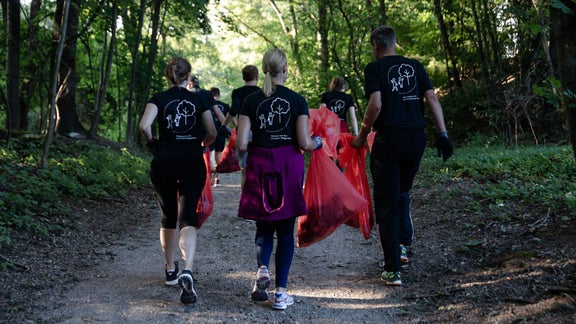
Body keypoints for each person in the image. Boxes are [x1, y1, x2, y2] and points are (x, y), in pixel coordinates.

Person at [351, 26, 453, 286]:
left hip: (389, 139)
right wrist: (443, 133)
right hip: (416, 137)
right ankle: (403, 246)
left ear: (376, 44)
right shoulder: (416, 67)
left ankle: (392, 268)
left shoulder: (374, 69)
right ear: (394, 44)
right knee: (403, 193)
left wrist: (362, 136)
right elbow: (431, 98)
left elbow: (375, 104)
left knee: (387, 201)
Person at [236, 49, 322, 310]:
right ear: (285, 70)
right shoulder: (297, 100)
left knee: (263, 225)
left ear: (265, 69)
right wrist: (318, 142)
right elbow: (305, 143)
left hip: (259, 162)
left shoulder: (250, 100)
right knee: (285, 229)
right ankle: (281, 294)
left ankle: (263, 269)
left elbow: (241, 143)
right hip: (288, 163)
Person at [139, 57, 217, 304]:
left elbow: (144, 125)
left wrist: (153, 142)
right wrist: (201, 145)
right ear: (188, 75)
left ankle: (171, 268)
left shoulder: (159, 99)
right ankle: (188, 269)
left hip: (164, 160)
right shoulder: (199, 98)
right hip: (192, 160)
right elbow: (213, 131)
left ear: (168, 75)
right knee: (188, 217)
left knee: (168, 216)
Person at [223, 65, 260, 188]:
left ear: (243, 77)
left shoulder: (238, 92)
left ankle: (246, 200)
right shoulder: (263, 92)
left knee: (244, 169)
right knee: (260, 167)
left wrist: (224, 124)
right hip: (260, 133)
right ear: (256, 77)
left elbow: (234, 110)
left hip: (243, 133)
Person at [209, 87, 231, 187]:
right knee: (219, 158)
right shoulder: (225, 106)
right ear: (219, 94)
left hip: (210, 133)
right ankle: (217, 179)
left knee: (209, 156)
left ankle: (209, 178)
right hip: (221, 134)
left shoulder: (208, 105)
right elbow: (230, 119)